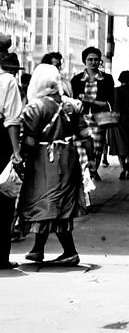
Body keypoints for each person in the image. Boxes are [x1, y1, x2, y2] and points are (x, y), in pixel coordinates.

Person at [6, 64, 94, 266]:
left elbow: (28, 140)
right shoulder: (72, 105)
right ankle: (38, 249)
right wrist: (91, 160)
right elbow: (86, 137)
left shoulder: (35, 107)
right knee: (56, 203)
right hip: (69, 159)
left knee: (46, 202)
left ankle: (68, 251)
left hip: (44, 161)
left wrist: (20, 158)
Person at [70, 46, 115, 175]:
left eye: (96, 59)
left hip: (99, 119)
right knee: (81, 147)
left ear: (100, 61)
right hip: (80, 119)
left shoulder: (107, 79)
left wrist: (90, 100)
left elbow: (109, 103)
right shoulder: (77, 79)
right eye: (90, 59)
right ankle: (84, 173)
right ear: (85, 61)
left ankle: (92, 172)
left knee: (97, 148)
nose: (93, 62)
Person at [0, 53, 24, 269]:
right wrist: (16, 151)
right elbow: (12, 120)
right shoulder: (7, 81)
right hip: (0, 141)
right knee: (4, 197)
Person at [108, 71, 129, 181]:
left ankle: (124, 168)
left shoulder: (116, 91)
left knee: (120, 146)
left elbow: (116, 107)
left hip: (119, 121)